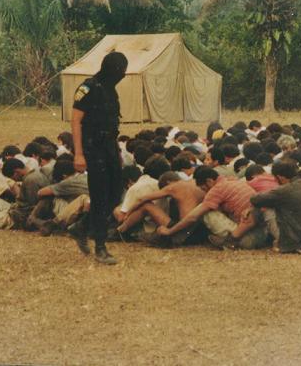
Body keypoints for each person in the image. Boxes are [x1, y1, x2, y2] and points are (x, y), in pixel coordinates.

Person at [69, 51, 128, 265]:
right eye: (121, 70)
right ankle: (100, 247)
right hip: (93, 149)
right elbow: (75, 122)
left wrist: (117, 153)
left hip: (110, 148)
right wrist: (78, 153)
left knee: (115, 195)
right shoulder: (88, 88)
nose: (123, 74)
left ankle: (81, 227)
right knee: (100, 195)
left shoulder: (111, 91)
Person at [157, 166, 267, 250]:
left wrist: (170, 231)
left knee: (205, 211)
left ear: (209, 181)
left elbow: (193, 217)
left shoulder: (216, 189)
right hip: (262, 234)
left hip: (247, 238)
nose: (205, 192)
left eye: (204, 188)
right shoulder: (232, 181)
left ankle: (229, 241)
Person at [248, 161, 301, 254]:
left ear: (280, 177)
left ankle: (276, 241)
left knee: (267, 208)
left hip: (297, 243)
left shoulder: (285, 190)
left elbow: (255, 200)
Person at [117, 171, 206, 246]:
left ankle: (122, 229)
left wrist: (128, 213)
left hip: (181, 233)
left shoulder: (173, 187)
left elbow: (142, 199)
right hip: (198, 231)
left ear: (168, 182)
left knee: (147, 205)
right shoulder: (195, 183)